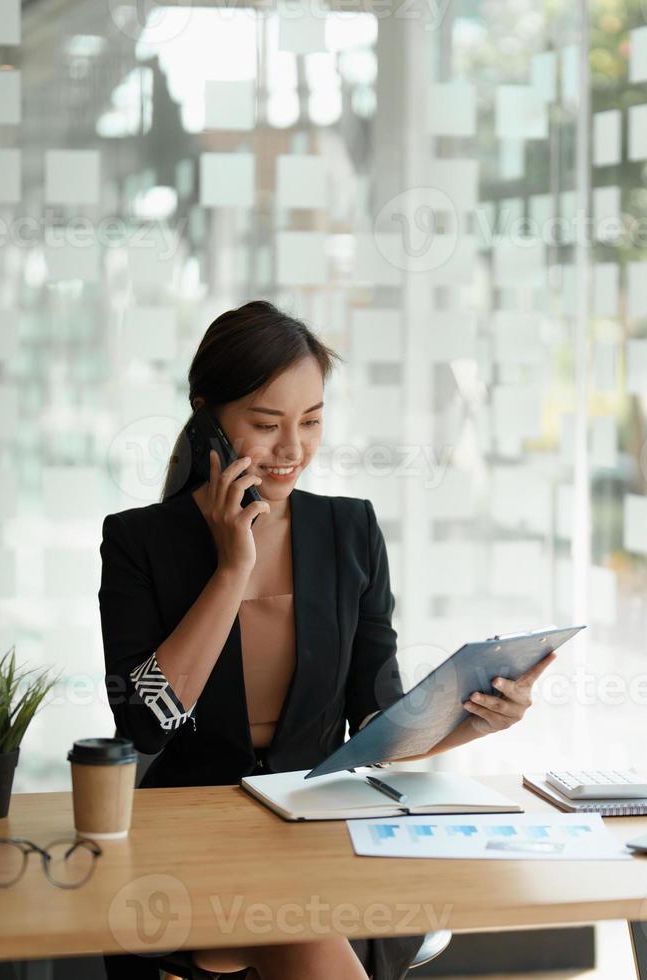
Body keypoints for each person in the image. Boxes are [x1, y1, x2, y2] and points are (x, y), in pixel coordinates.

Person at [98, 300, 554, 980]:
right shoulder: (139, 541)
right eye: (265, 423)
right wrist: (232, 568)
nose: (292, 450)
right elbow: (144, 723)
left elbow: (379, 723)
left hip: (319, 825)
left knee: (290, 920)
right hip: (193, 834)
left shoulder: (350, 531)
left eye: (311, 422)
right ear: (209, 418)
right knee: (291, 925)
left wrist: (476, 719)